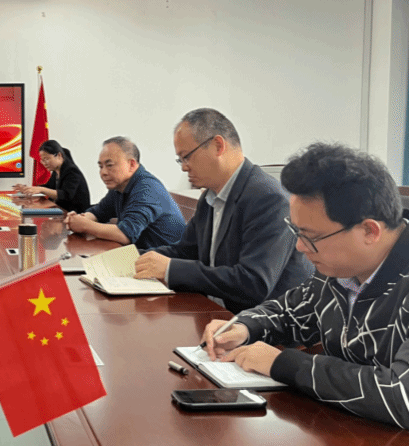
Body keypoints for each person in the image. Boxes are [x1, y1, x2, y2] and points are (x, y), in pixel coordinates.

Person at [202, 142, 409, 446]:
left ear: (369, 231)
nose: (300, 247)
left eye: (310, 236)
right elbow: (292, 312)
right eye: (296, 231)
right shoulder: (342, 263)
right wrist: (245, 326)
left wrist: (282, 364)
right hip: (355, 436)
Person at [134, 109, 312, 313]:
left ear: (218, 145)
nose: (184, 168)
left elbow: (253, 283)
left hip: (261, 323)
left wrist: (170, 269)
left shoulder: (269, 199)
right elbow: (185, 251)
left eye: (186, 157)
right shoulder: (210, 198)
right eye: (180, 160)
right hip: (216, 312)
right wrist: (130, 259)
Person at [65, 136, 184, 249]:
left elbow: (126, 234)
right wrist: (78, 219)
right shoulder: (119, 187)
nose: (103, 173)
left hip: (163, 258)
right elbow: (98, 212)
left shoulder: (148, 189)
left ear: (131, 164)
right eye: (101, 167)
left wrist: (84, 225)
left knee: (88, 260)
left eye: (109, 165)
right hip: (138, 253)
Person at [13, 140, 91, 213]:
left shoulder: (72, 171)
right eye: (42, 160)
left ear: (59, 155)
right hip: (62, 210)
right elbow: (49, 187)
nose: (44, 163)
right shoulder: (57, 169)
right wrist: (28, 189)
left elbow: (66, 195)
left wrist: (41, 189)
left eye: (46, 159)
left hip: (75, 214)